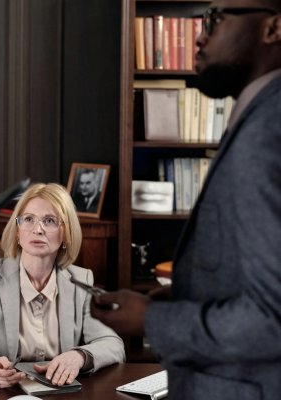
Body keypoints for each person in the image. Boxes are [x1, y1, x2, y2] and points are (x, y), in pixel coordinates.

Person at [90, 2, 281, 399]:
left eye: (214, 19)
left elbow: (272, 318)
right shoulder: (257, 117)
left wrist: (153, 320)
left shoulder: (267, 133)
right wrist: (189, 292)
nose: (198, 35)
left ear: (274, 28)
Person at [0, 183, 125, 389]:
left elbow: (113, 344)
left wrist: (79, 357)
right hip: (4, 394)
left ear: (65, 234)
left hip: (62, 394)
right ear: (18, 231)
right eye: (28, 219)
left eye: (49, 221)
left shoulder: (81, 280)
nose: (38, 229)